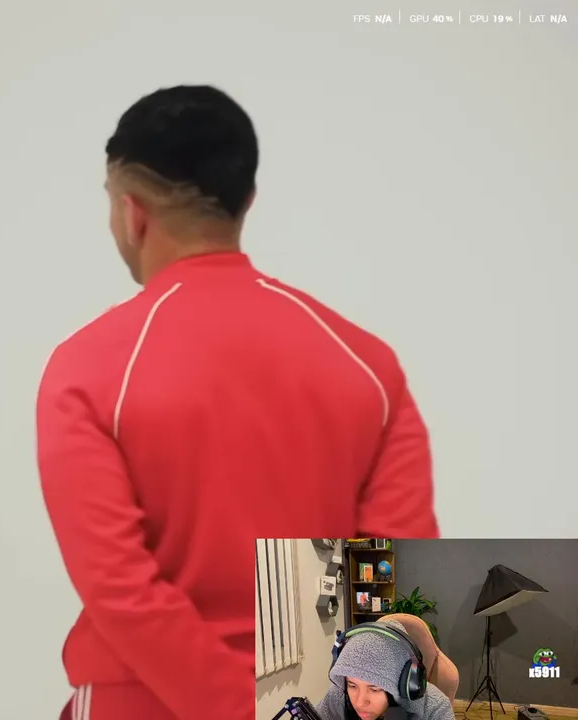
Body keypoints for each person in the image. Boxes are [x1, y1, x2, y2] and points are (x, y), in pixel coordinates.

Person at [34, 85, 441, 719]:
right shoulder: (367, 366)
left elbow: (123, 592)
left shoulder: (88, 368)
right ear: (246, 200)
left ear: (132, 212)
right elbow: (392, 572)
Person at [314, 619, 456, 720]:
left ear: (403, 683)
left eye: (374, 689)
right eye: (352, 685)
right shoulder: (338, 695)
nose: (360, 702)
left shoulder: (435, 707)